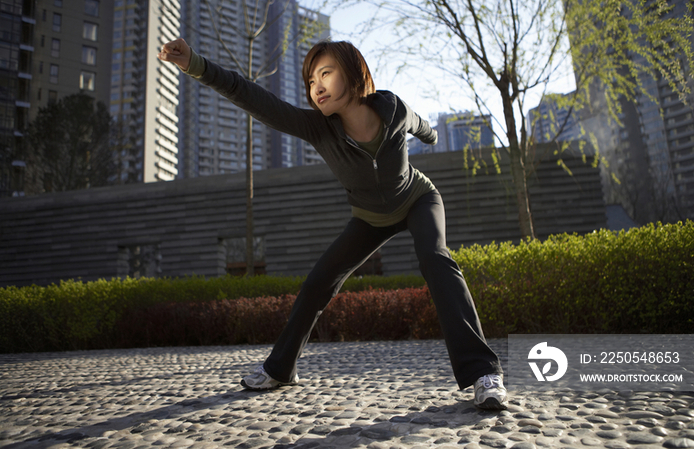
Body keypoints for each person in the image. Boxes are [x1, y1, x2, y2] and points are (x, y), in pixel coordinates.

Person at [158, 38, 508, 410]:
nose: (317, 87)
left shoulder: (392, 109)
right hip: (369, 218)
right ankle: (280, 369)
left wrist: (432, 135)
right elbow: (252, 96)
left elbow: (421, 124)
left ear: (355, 74)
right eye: (311, 80)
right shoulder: (316, 127)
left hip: (418, 200)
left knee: (436, 260)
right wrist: (196, 64)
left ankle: (484, 374)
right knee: (317, 284)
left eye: (326, 73)